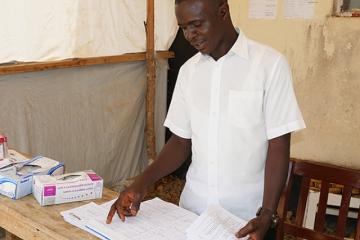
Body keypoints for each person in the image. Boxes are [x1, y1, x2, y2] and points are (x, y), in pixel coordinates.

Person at [107, 0, 305, 239]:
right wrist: (141, 183)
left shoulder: (269, 65)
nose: (189, 35)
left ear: (223, 12)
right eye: (183, 28)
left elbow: (279, 146)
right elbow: (180, 142)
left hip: (245, 220)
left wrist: (267, 214)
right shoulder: (189, 72)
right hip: (192, 215)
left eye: (196, 25)